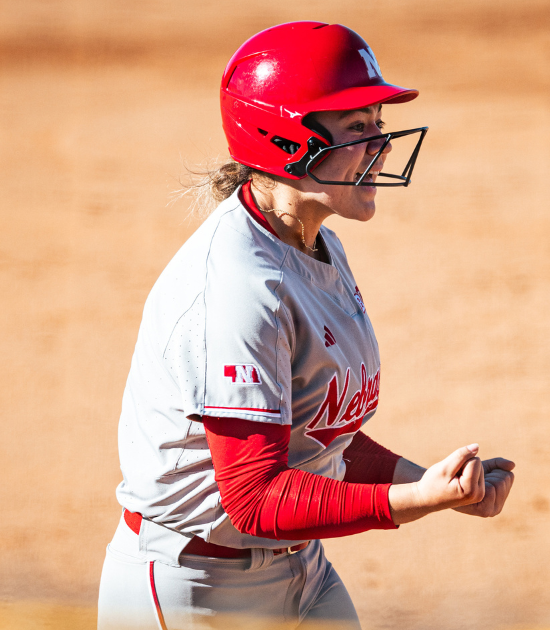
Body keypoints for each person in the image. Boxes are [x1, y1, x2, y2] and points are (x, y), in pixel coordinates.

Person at [97, 21, 515, 630]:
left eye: (377, 123)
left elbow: (321, 439)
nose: (383, 145)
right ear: (288, 142)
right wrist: (413, 502)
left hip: (301, 569)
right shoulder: (237, 291)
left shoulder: (317, 247)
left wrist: (429, 481)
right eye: (358, 128)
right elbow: (254, 499)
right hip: (197, 590)